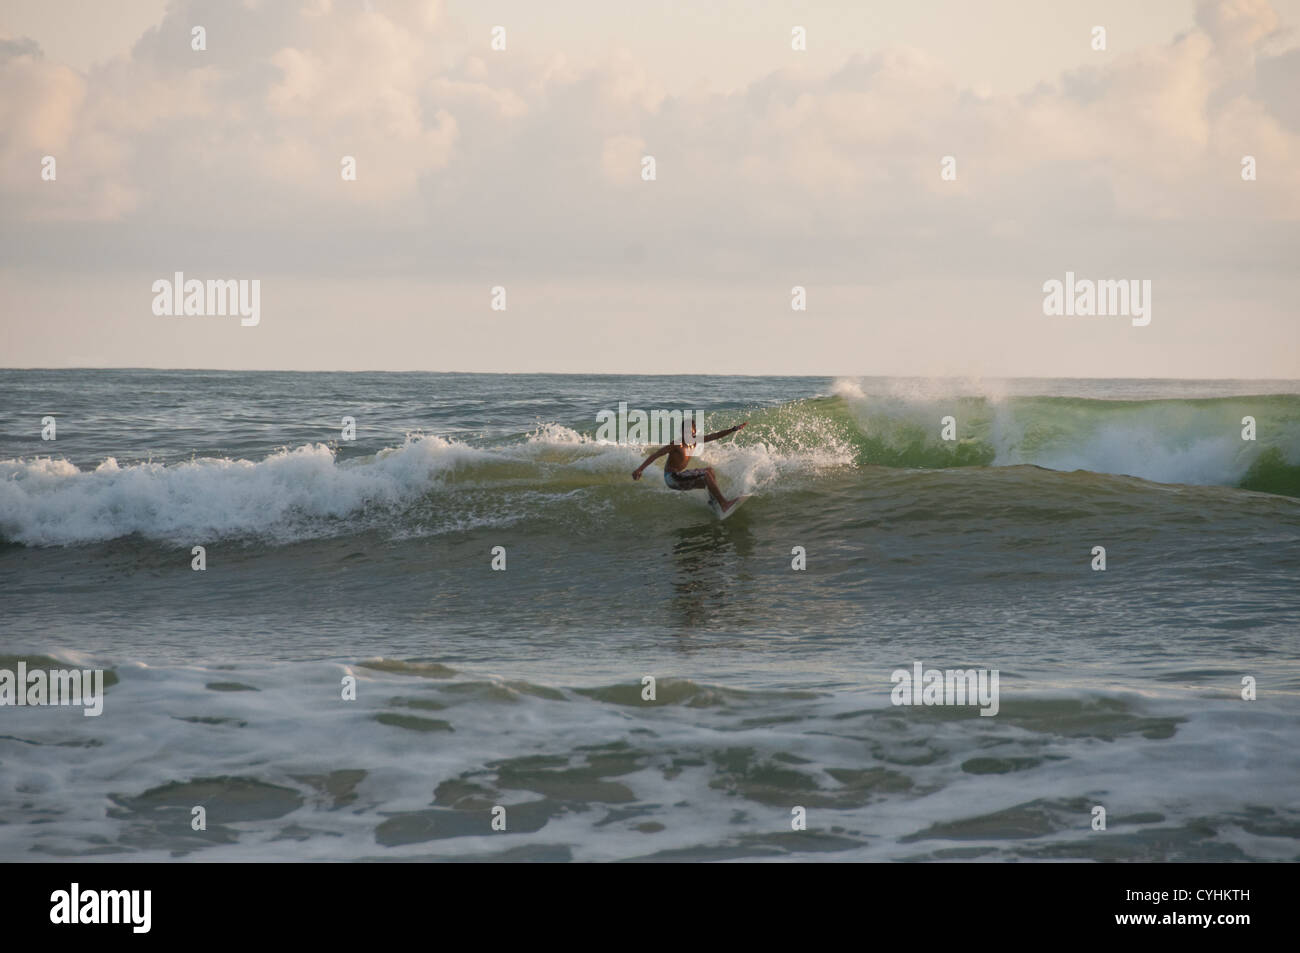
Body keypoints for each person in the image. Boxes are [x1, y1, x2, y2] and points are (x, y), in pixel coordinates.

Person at [632, 418, 747, 513]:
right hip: (672, 478)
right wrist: (640, 469)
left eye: (689, 431)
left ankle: (714, 502)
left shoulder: (695, 441)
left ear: (694, 432)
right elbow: (656, 455)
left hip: (679, 475)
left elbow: (715, 435)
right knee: (706, 474)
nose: (687, 434)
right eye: (684, 432)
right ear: (681, 432)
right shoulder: (676, 444)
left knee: (709, 471)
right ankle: (724, 504)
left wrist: (733, 429)